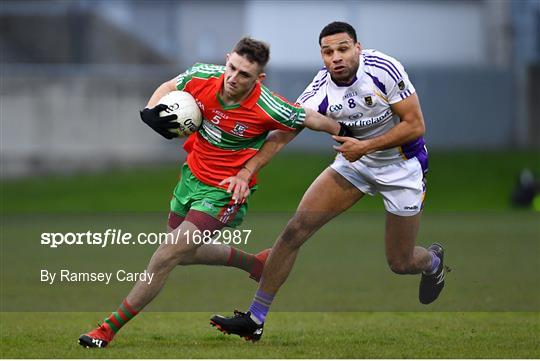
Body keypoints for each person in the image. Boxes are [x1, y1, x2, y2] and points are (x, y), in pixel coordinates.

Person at [78, 37, 343, 348]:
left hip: (223, 192)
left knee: (165, 254)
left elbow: (307, 119)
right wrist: (150, 109)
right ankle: (255, 264)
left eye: (244, 74)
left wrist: (347, 134)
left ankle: (107, 329)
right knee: (185, 255)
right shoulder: (202, 75)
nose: (234, 78)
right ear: (227, 59)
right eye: (231, 68)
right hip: (192, 178)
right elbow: (170, 85)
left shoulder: (267, 105)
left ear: (258, 79)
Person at [210, 21, 447, 342]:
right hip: (355, 164)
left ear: (357, 48)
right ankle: (255, 319)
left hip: (403, 168)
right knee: (295, 230)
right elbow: (284, 132)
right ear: (321, 56)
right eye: (328, 51)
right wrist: (247, 171)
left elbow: (415, 125)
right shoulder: (320, 88)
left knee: (401, 262)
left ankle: (432, 261)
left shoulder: (384, 70)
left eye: (343, 49)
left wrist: (364, 145)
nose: (336, 57)